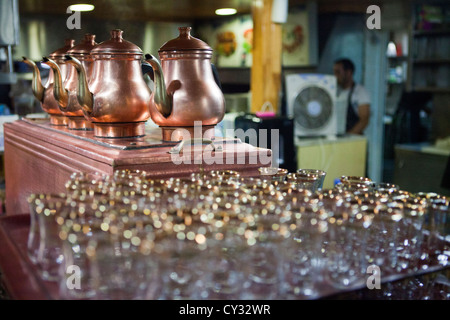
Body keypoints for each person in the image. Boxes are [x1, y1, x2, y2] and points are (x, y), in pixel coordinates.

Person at [333, 58, 371, 135]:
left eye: (338, 72)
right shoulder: (336, 91)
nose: (335, 76)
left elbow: (364, 120)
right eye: (334, 72)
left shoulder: (360, 92)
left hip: (354, 139)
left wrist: (349, 136)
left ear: (348, 73)